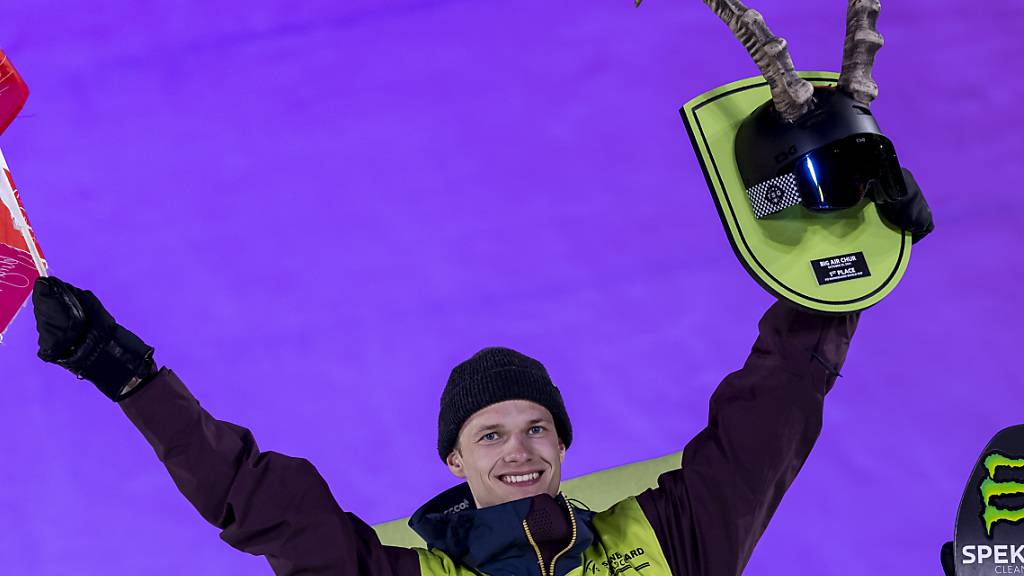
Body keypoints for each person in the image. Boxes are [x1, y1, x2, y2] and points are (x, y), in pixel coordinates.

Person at [31, 181, 932, 576]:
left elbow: (770, 414)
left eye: (535, 426)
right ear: (454, 461)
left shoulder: (666, 544)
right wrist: (123, 370)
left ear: (564, 443)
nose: (520, 450)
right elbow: (254, 498)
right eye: (491, 434)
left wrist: (838, 258)